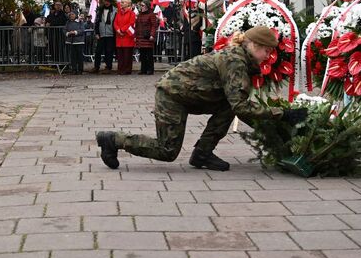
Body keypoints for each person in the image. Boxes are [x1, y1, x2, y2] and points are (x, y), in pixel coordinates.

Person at [95, 26, 306, 171]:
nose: (268, 57)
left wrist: (275, 131)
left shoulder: (240, 58)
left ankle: (202, 154)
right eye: (267, 51)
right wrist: (283, 115)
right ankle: (113, 140)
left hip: (192, 95)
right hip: (172, 96)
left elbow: (239, 106)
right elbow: (242, 108)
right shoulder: (235, 62)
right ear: (255, 46)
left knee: (228, 105)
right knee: (167, 151)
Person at [92, 0, 117, 73]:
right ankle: (96, 67)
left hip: (111, 34)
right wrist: (97, 32)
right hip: (101, 34)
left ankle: (108, 67)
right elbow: (96, 22)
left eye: (108, 1)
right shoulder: (100, 10)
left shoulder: (115, 10)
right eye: (106, 1)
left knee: (109, 51)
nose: (107, 2)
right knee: (98, 51)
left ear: (111, 2)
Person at [134, 1, 159, 75]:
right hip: (140, 37)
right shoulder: (139, 15)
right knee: (142, 55)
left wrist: (152, 35)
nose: (141, 7)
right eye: (141, 5)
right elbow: (137, 26)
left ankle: (150, 69)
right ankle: (143, 69)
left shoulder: (151, 14)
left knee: (149, 55)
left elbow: (154, 26)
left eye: (142, 5)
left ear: (147, 6)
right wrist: (135, 36)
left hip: (148, 37)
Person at [114, 0, 136, 75]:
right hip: (119, 37)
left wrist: (122, 30)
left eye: (123, 2)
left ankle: (127, 70)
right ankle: (120, 69)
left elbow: (131, 23)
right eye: (121, 2)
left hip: (127, 37)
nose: (121, 3)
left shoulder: (132, 13)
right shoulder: (118, 13)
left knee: (127, 55)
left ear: (128, 4)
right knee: (120, 55)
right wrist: (118, 30)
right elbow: (115, 22)